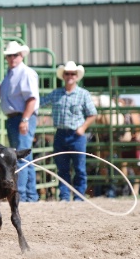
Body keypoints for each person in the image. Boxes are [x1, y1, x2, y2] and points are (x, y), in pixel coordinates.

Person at [0, 41, 40, 202]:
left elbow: (32, 99)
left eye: (14, 55)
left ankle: (21, 193)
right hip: (15, 118)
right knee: (23, 156)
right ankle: (29, 194)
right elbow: (1, 94)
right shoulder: (11, 74)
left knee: (20, 156)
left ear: (21, 55)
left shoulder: (25, 73)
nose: (12, 58)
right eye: (9, 55)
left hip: (22, 117)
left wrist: (25, 119)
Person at [40, 61, 97, 201]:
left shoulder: (83, 94)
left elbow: (92, 114)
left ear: (77, 76)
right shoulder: (56, 93)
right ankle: (64, 196)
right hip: (60, 134)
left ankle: (78, 197)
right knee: (62, 168)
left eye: (72, 73)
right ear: (63, 76)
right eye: (67, 73)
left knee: (79, 169)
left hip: (76, 136)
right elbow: (40, 102)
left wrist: (83, 127)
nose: (70, 76)